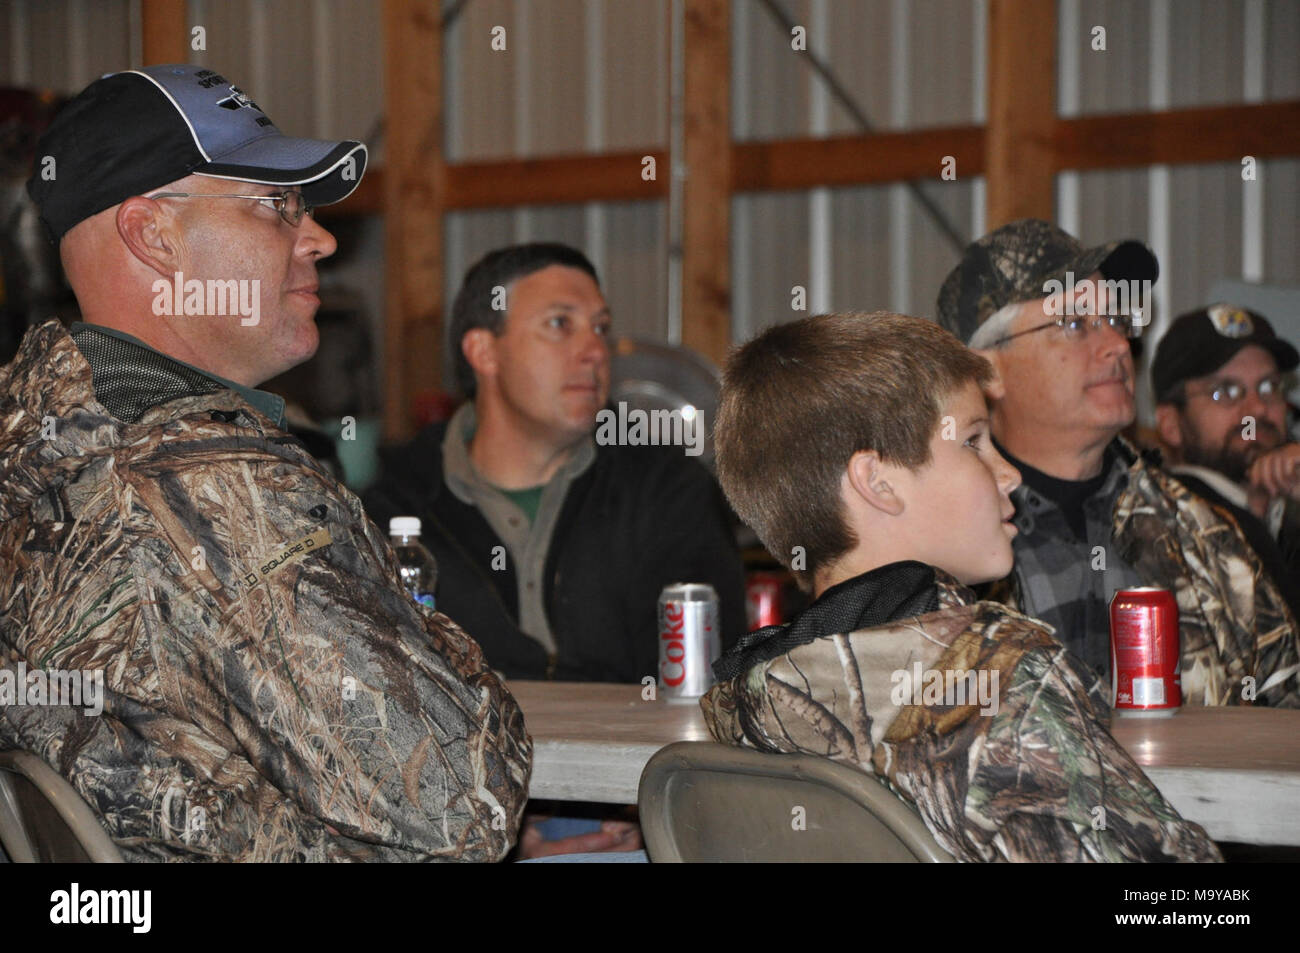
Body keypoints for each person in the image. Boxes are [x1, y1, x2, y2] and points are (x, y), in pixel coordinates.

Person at [0, 64, 530, 862]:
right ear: (154, 236)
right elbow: (464, 806)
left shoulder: (44, 462)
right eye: (275, 205)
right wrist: (422, 631)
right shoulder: (211, 487)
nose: (319, 237)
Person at [701, 311, 1220, 862]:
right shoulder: (1005, 675)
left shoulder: (743, 698)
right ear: (877, 481)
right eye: (973, 442)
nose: (1009, 474)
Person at [936, 218, 1300, 709]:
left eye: (1117, 320)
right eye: (1074, 323)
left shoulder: (1204, 534)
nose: (1116, 346)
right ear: (987, 369)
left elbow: (1285, 717)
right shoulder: (936, 545)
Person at [364, 242, 746, 684]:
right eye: (560, 324)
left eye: (600, 328)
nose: (595, 351)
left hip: (633, 754)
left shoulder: (668, 492)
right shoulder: (393, 506)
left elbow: (710, 687)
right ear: (484, 352)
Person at [1152, 304, 1300, 614]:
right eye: (1224, 392)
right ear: (1171, 424)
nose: (1258, 410)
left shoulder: (1282, 510)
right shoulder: (1165, 524)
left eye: (1269, 387)